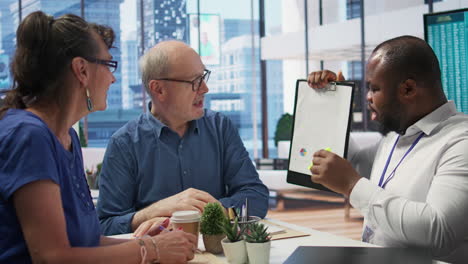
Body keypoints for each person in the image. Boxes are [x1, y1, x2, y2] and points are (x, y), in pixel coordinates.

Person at [0, 11, 196, 263]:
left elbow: (86, 243)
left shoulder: (66, 136)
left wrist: (148, 242)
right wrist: (151, 250)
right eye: (108, 65)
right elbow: (52, 257)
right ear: (81, 70)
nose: (112, 78)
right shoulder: (29, 135)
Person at [307, 35, 468, 263]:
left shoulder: (461, 141)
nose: (368, 98)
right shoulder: (396, 136)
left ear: (408, 89)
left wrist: (352, 185)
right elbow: (346, 165)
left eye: (374, 89)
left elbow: (439, 231)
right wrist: (334, 105)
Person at [97, 40, 269, 236]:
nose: (204, 88)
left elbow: (256, 196)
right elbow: (105, 225)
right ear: (159, 89)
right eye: (194, 81)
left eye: (204, 77)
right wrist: (155, 211)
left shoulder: (220, 128)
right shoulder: (124, 144)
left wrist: (211, 212)